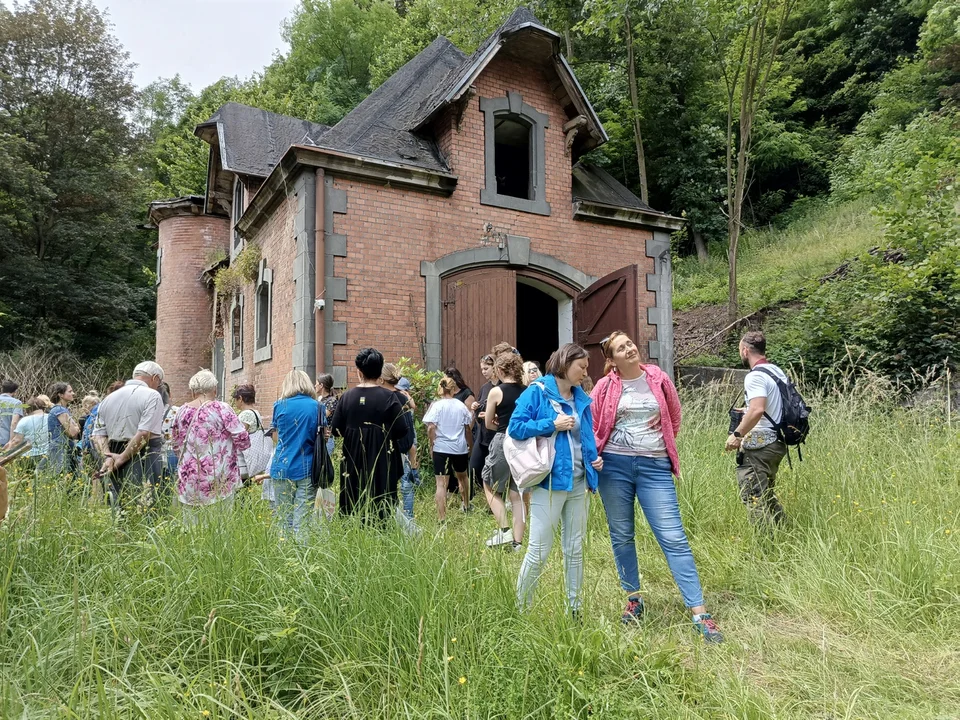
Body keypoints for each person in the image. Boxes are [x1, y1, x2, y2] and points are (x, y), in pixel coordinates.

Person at [592, 331, 723, 643]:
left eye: (629, 343)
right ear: (612, 360)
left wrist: (655, 444)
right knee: (622, 534)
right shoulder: (604, 387)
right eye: (621, 348)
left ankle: (699, 611)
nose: (630, 348)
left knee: (673, 536)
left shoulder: (658, 378)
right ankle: (634, 599)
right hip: (614, 467)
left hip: (655, 467)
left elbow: (674, 419)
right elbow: (595, 424)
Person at [510, 344, 602, 616]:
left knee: (574, 548)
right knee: (539, 549)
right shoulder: (537, 391)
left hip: (578, 482)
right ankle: (521, 609)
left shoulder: (581, 396)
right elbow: (515, 427)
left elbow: (586, 436)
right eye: (581, 366)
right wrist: (551, 424)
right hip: (548, 484)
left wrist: (594, 460)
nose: (585, 372)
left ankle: (574, 609)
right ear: (565, 363)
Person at [331, 349, 407, 522]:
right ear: (380, 372)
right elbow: (402, 429)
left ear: (359, 372)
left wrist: (352, 434)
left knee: (352, 497)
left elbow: (335, 429)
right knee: (382, 499)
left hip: (351, 457)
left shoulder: (346, 397)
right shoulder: (389, 397)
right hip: (382, 459)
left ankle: (351, 531)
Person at [726, 330, 788, 527]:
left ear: (745, 351)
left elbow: (758, 409)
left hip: (760, 446)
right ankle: (784, 530)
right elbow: (772, 406)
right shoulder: (776, 371)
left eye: (739, 351)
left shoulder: (755, 376)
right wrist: (747, 409)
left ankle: (765, 547)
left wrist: (737, 434)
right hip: (777, 442)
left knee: (753, 498)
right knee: (767, 495)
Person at [171, 370, 250, 523]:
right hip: (219, 480)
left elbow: (175, 444)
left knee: (192, 529)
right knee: (220, 527)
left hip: (190, 480)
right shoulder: (222, 409)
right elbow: (243, 440)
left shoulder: (181, 411)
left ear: (193, 391)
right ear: (214, 390)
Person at [93, 361, 166, 510]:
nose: (159, 386)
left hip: (113, 453)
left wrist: (108, 457)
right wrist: (123, 457)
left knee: (118, 506)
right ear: (155, 377)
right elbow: (144, 433)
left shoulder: (109, 398)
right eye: (160, 383)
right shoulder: (152, 395)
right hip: (145, 455)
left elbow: (98, 435)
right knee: (148, 505)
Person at [481, 351, 526, 551]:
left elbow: (488, 423)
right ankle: (517, 543)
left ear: (499, 370)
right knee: (516, 494)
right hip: (524, 444)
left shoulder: (496, 392)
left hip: (503, 440)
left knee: (488, 485)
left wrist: (497, 422)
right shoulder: (528, 391)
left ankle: (504, 530)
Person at [270, 370, 321, 535]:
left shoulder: (279, 405)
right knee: (302, 520)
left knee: (284, 518)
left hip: (282, 467)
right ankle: (300, 558)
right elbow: (322, 438)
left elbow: (276, 437)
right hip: (307, 467)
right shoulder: (318, 407)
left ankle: (283, 557)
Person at [424, 376, 474, 521]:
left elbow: (431, 427)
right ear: (453, 389)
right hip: (459, 448)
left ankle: (441, 518)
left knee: (441, 484)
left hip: (441, 448)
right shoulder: (460, 405)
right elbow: (468, 429)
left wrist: (432, 443)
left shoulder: (436, 405)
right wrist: (469, 445)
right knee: (463, 477)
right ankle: (466, 505)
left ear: (440, 388)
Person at [381, 364, 419, 533]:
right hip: (404, 448)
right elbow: (408, 428)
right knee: (406, 485)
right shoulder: (402, 397)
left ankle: (396, 521)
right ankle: (408, 519)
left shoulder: (384, 398)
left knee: (389, 487)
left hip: (389, 449)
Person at [468, 354, 499, 498]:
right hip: (483, 435)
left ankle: (495, 502)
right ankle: (470, 500)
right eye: (482, 369)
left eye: (486, 368)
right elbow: (480, 407)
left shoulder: (502, 387)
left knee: (495, 470)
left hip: (497, 434)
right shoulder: (484, 387)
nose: (483, 372)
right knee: (473, 467)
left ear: (495, 367)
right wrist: (476, 407)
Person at [443, 366, 474, 500]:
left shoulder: (466, 394)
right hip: (448, 436)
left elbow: (470, 417)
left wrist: (467, 437)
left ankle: (467, 496)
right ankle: (452, 490)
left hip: (462, 435)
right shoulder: (446, 394)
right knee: (447, 467)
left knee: (463, 469)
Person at [8, 397, 51, 471]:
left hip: (28, 457)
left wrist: (8, 453)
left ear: (28, 409)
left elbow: (17, 441)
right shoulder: (51, 418)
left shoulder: (24, 420)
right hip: (47, 455)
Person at [46, 382, 79, 474]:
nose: (73, 393)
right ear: (60, 395)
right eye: (70, 391)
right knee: (62, 477)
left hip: (63, 448)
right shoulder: (59, 410)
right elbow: (73, 432)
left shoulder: (62, 410)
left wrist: (75, 427)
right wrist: (75, 427)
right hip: (60, 449)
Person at [158, 382, 179, 498]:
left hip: (155, 453)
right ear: (169, 395)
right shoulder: (178, 411)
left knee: (156, 486)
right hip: (172, 453)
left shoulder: (151, 411)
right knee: (171, 485)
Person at [315, 373, 338, 456]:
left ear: (321, 385)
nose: (315, 386)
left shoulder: (332, 401)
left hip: (327, 437)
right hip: (319, 436)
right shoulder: (320, 400)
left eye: (316, 384)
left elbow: (323, 416)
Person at [1, 379, 23, 449]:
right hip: (5, 439)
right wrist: (11, 440)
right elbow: (14, 422)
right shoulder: (17, 403)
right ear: (15, 391)